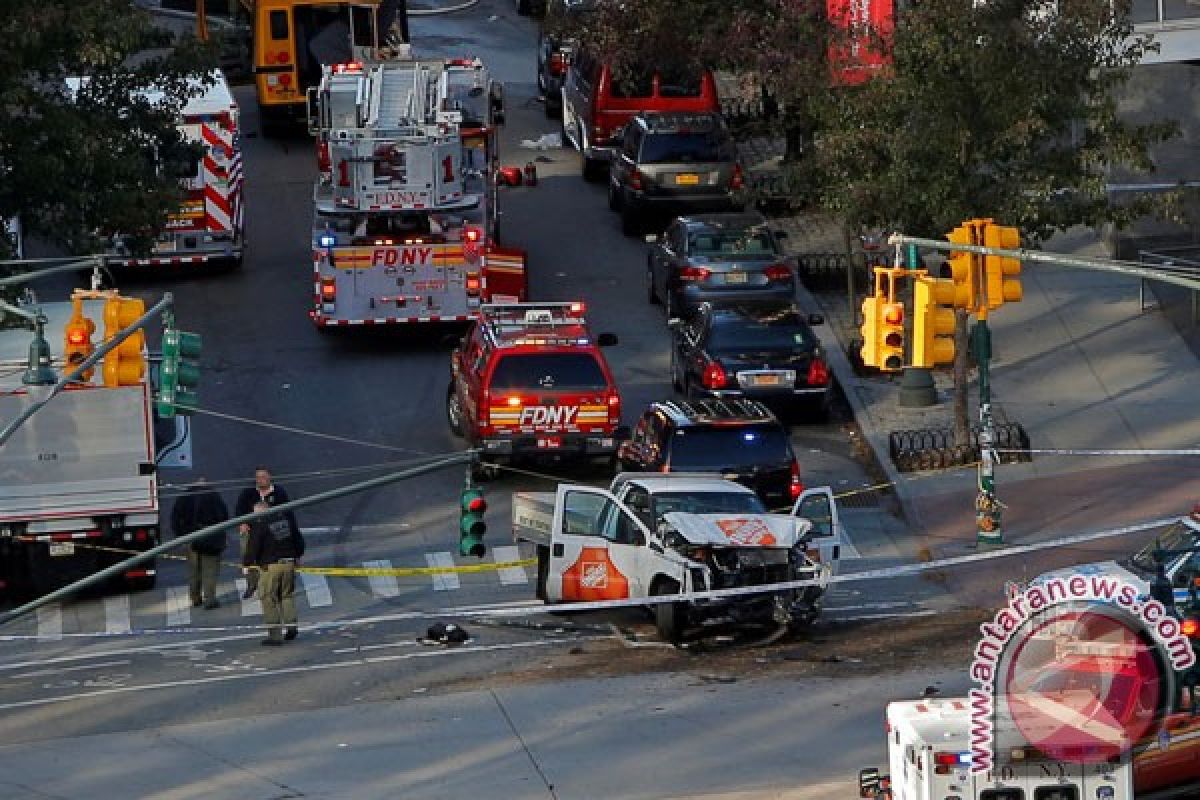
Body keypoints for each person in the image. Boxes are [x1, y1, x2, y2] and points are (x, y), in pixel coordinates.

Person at [243, 501, 306, 646]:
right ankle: (291, 627)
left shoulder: (260, 525)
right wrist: (297, 555)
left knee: (267, 597)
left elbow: (253, 547)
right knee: (286, 595)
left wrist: (246, 564)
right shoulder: (286, 521)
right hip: (289, 563)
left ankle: (275, 635)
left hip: (270, 566)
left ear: (259, 512)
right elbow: (298, 540)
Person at [234, 467, 298, 599]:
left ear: (270, 477)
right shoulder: (248, 493)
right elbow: (239, 511)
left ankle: (275, 584)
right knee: (248, 555)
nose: (260, 480)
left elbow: (288, 514)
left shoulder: (279, 493)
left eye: (263, 477)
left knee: (271, 558)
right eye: (257, 477)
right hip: (252, 531)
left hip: (273, 533)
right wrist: (243, 523)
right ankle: (252, 584)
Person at [170, 477, 230, 610]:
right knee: (210, 569)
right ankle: (209, 598)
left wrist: (181, 535)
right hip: (211, 536)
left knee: (193, 570)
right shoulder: (214, 495)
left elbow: (175, 518)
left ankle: (195, 597)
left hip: (191, 537)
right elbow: (223, 516)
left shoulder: (184, 496)